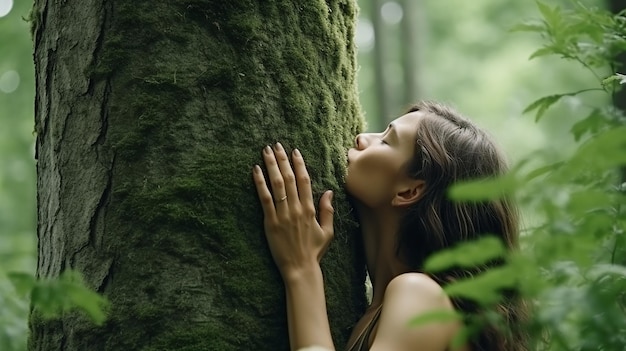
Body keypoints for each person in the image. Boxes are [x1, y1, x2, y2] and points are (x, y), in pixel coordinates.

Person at [251, 101, 527, 351]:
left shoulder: (420, 295)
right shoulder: (385, 308)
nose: (361, 139)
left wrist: (302, 270)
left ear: (409, 191)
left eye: (385, 140)